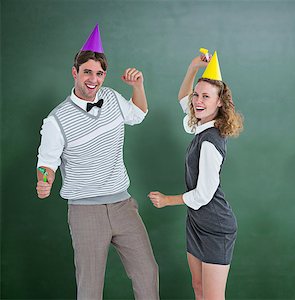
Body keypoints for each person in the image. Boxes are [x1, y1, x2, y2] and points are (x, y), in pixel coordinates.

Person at [35, 24, 159, 299]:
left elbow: (138, 114)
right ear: (75, 73)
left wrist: (138, 86)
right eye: (87, 72)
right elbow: (47, 161)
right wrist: (44, 181)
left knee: (147, 271)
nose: (93, 79)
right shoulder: (56, 120)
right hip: (84, 211)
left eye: (99, 73)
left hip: (123, 205)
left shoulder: (112, 97)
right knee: (90, 287)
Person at [148, 50, 243, 299]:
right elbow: (183, 98)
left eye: (206, 96)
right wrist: (193, 67)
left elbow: (204, 194)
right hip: (197, 222)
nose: (197, 101)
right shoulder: (200, 124)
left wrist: (167, 200)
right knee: (199, 289)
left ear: (219, 102)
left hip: (216, 226)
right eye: (197, 95)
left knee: (212, 297)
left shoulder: (210, 141)